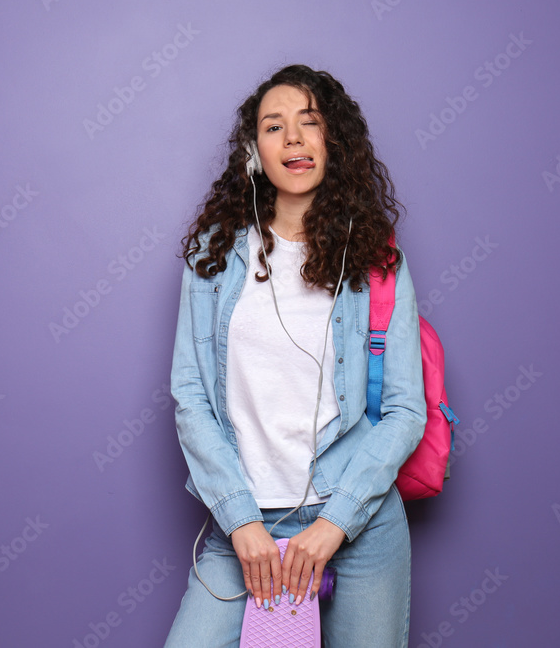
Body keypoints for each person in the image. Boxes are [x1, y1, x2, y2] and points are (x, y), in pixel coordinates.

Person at [163, 64, 427, 648]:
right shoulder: (213, 258)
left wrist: (337, 522)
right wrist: (240, 520)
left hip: (357, 524)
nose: (293, 140)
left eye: (309, 123)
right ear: (253, 150)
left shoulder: (376, 262)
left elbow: (407, 409)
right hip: (246, 526)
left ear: (334, 140)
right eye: (273, 126)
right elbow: (190, 397)